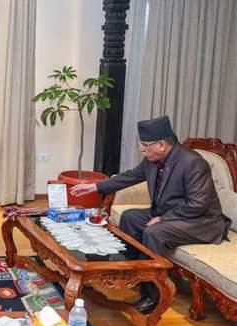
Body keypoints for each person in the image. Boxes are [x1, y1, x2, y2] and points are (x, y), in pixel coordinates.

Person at [71, 116, 231, 314]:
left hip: (201, 221)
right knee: (130, 217)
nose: (142, 150)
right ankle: (130, 272)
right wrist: (95, 187)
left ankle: (153, 295)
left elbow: (198, 204)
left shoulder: (193, 163)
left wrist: (163, 219)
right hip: (171, 213)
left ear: (162, 145)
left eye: (146, 145)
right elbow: (130, 176)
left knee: (155, 232)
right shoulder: (152, 160)